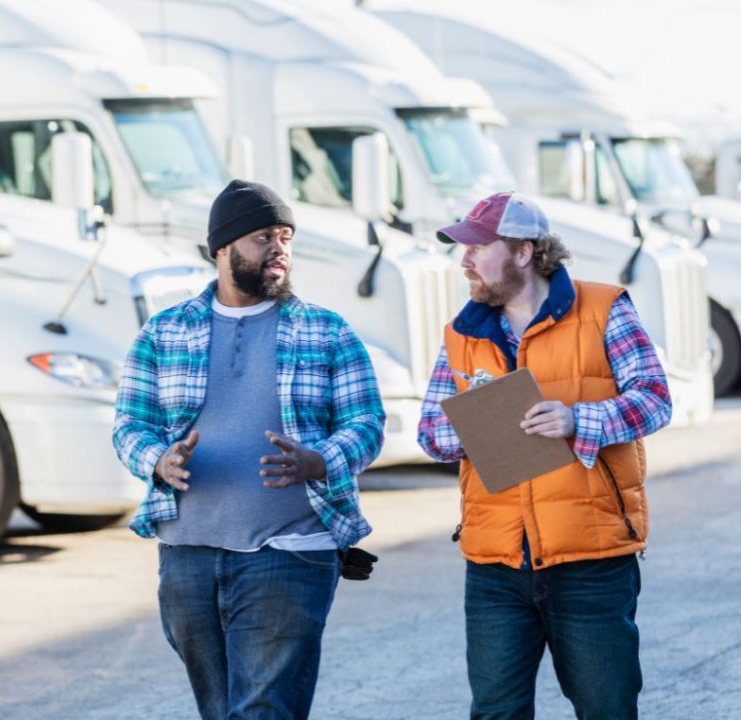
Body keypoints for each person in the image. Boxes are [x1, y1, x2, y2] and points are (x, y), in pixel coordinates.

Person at [113, 179, 385, 720]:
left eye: (285, 237)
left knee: (261, 710)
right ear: (223, 248)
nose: (279, 248)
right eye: (264, 237)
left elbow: (366, 422)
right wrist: (158, 461)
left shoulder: (326, 331)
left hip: (289, 552)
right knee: (220, 710)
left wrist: (319, 460)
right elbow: (129, 425)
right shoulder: (163, 333)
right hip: (187, 555)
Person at [417, 191, 672, 719]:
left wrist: (580, 419)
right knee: (496, 713)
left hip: (591, 559)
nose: (463, 261)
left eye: (477, 247)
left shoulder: (604, 308)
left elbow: (654, 399)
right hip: (495, 564)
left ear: (523, 251)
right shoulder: (461, 333)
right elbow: (430, 434)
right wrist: (472, 426)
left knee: (607, 709)